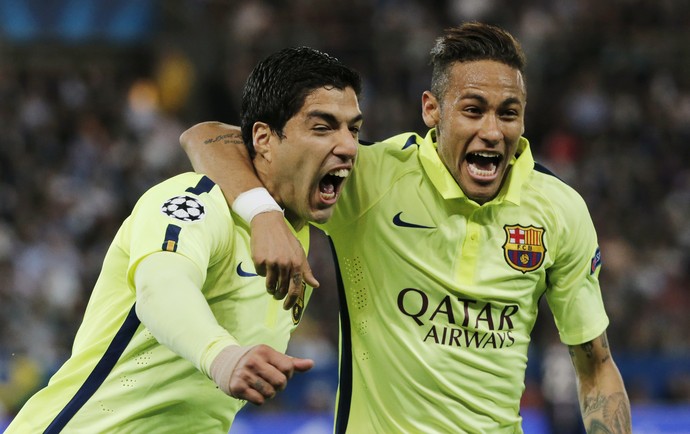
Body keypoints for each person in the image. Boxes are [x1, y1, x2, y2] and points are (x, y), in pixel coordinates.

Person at [180, 22, 632, 433]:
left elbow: (595, 367)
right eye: (473, 110)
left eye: (508, 113)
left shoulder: (559, 209)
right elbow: (205, 137)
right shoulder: (370, 178)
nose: (493, 131)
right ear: (432, 110)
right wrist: (264, 214)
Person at [6, 46, 363, 433]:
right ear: (263, 139)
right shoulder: (194, 200)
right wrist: (223, 357)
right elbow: (161, 288)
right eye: (322, 127)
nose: (347, 146)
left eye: (354, 129)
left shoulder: (300, 236)